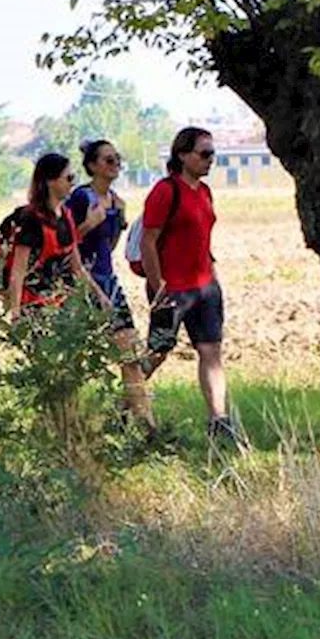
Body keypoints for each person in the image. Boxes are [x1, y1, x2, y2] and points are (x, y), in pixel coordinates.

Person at [138, 127, 240, 446]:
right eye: (205, 154)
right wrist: (158, 288)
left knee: (211, 352)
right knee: (158, 353)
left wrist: (213, 277)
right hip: (173, 290)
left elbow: (202, 239)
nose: (211, 160)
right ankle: (125, 406)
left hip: (205, 288)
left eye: (213, 155)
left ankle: (219, 421)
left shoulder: (205, 192)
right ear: (183, 155)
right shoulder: (166, 191)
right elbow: (148, 241)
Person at [66, 140, 154, 431]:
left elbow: (110, 246)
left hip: (108, 280)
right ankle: (70, 420)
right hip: (80, 283)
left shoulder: (117, 202)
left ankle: (143, 423)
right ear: (92, 166)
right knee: (75, 356)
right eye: (108, 160)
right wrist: (88, 225)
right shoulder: (80, 199)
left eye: (117, 159)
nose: (115, 164)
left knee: (130, 352)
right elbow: (64, 244)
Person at [6, 154, 111, 320]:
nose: (72, 183)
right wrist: (16, 313)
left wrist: (100, 296)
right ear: (51, 181)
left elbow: (77, 267)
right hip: (34, 306)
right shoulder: (31, 220)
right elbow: (18, 272)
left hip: (58, 304)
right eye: (68, 178)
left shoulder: (66, 216)